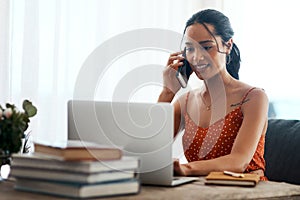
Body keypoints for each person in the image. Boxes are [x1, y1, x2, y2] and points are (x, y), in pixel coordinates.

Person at [158, 9, 269, 180]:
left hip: (248, 191)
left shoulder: (253, 98)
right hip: (201, 191)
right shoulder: (185, 102)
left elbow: (239, 162)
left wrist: (186, 168)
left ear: (228, 45)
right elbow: (151, 151)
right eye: (190, 49)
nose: (197, 57)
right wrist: (167, 93)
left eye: (206, 47)